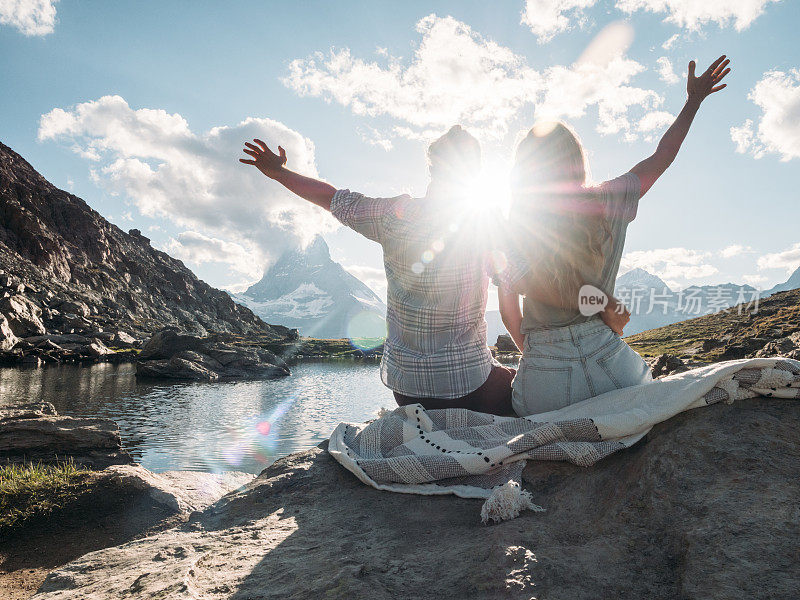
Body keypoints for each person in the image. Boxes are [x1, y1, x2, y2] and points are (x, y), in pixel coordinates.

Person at [497, 55, 731, 417]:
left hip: (544, 377)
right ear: (576, 160)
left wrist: (535, 352)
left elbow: (509, 310)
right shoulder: (608, 200)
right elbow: (660, 158)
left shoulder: (515, 224)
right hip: (611, 366)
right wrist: (692, 103)